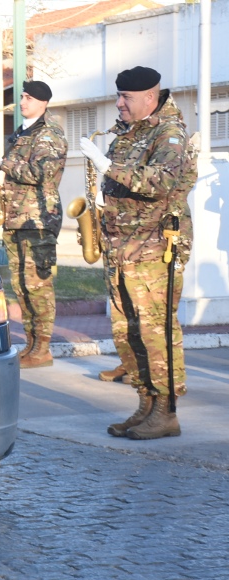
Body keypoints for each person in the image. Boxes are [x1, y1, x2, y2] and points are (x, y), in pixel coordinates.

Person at [80, 66, 197, 440]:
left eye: (126, 98)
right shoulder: (128, 131)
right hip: (121, 245)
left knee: (155, 332)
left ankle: (167, 411)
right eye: (119, 96)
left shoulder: (170, 134)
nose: (119, 104)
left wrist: (107, 165)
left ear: (151, 96)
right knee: (126, 331)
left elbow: (161, 181)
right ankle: (146, 405)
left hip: (154, 247)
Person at [0, 80, 68, 369]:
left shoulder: (49, 134)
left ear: (43, 102)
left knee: (38, 285)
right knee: (21, 286)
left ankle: (42, 347)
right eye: (22, 96)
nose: (22, 101)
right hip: (17, 217)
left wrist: (1, 163)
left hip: (38, 219)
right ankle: (31, 345)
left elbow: (42, 173)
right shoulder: (23, 133)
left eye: (28, 97)